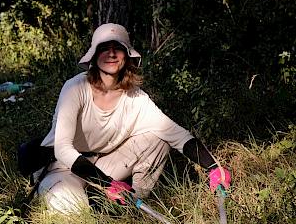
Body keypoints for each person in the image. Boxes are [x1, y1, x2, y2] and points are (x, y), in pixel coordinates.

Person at [36, 23, 231, 214]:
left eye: (118, 48)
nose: (111, 54)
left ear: (127, 56)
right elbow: (62, 149)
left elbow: (175, 134)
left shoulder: (136, 97)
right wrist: (106, 184)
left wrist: (213, 168)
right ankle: (94, 198)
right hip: (63, 168)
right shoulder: (75, 88)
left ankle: (128, 204)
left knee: (158, 139)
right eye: (104, 48)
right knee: (70, 209)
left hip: (103, 165)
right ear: (94, 57)